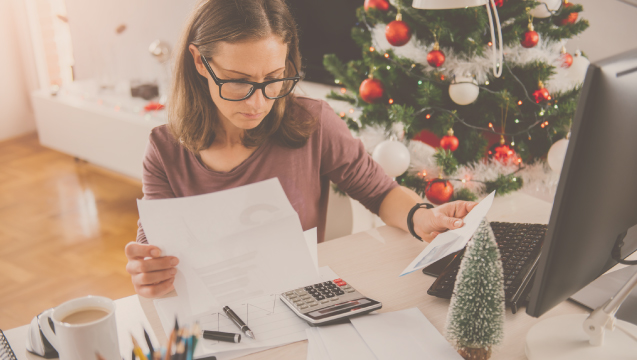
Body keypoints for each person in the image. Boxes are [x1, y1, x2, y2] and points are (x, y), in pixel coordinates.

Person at [125, 0, 477, 298]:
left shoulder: (314, 123)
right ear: (200, 62)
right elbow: (156, 250)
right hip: (214, 307)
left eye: (273, 78)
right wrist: (148, 272)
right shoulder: (164, 151)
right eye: (238, 81)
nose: (259, 103)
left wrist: (423, 217)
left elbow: (380, 192)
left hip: (300, 300)